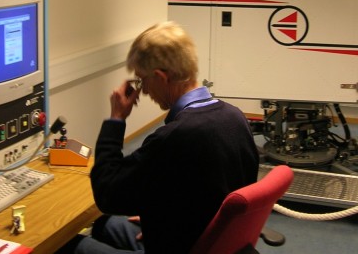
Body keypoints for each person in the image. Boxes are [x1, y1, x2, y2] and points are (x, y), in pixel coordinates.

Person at [74, 21, 259, 254]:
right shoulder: (235, 117)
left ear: (161, 77)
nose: (144, 91)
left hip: (183, 246)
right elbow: (213, 191)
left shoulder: (175, 137)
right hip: (202, 236)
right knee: (103, 225)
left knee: (72, 246)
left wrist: (116, 119)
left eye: (142, 81)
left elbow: (107, 194)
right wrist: (162, 215)